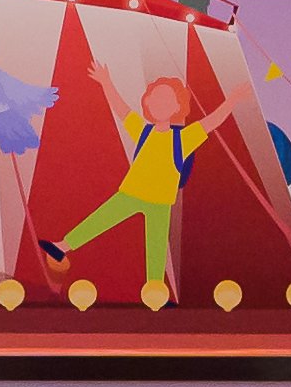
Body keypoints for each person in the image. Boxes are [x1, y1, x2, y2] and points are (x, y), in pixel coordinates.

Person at [42, 64, 239, 302]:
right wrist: (106, 82)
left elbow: (212, 121)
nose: (159, 103)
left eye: (167, 99)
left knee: (156, 246)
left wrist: (233, 100)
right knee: (99, 220)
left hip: (160, 201)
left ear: (178, 106)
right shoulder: (145, 132)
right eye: (155, 98)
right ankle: (63, 246)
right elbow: (121, 109)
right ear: (147, 103)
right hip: (131, 192)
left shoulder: (183, 138)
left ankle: (155, 291)